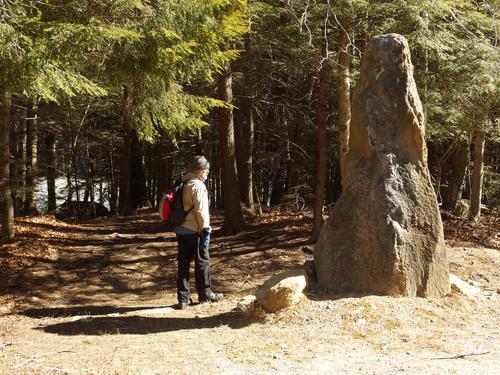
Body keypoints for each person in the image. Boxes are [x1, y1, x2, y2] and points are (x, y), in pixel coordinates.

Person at [174, 155, 223, 310]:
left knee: (183, 263)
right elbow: (201, 212)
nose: (208, 172)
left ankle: (183, 299)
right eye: (206, 170)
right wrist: (205, 230)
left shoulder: (182, 182)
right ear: (200, 170)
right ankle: (205, 294)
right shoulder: (198, 186)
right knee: (202, 262)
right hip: (195, 230)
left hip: (180, 229)